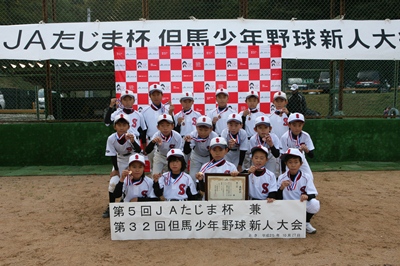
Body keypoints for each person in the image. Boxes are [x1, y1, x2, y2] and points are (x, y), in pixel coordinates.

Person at [102, 113, 142, 218]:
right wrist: (116, 170)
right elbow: (112, 154)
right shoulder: (111, 138)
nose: (121, 127)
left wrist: (132, 141)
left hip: (131, 159)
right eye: (119, 125)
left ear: (128, 127)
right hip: (119, 159)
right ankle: (111, 207)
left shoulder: (131, 135)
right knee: (113, 183)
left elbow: (138, 150)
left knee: (131, 182)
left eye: (124, 125)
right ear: (115, 126)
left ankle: (129, 204)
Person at [277, 148, 320, 234]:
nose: (293, 165)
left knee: (315, 203)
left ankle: (306, 222)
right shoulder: (281, 177)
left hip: (301, 204)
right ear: (286, 163)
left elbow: (313, 194)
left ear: (301, 163)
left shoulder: (306, 177)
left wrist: (307, 196)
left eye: (296, 162)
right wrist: (281, 188)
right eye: (290, 162)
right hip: (286, 205)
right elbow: (277, 197)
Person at [141, 84, 174, 173]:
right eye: (153, 95)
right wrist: (145, 146)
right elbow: (143, 130)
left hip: (167, 141)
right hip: (151, 141)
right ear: (150, 96)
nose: (156, 97)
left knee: (168, 167)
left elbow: (172, 126)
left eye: (158, 94)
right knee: (154, 169)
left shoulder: (167, 109)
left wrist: (171, 113)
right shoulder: (144, 111)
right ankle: (155, 185)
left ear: (162, 95)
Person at [183, 116, 219, 182]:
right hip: (196, 156)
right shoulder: (193, 134)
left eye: (206, 130)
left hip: (209, 157)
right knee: (193, 177)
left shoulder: (214, 136)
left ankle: (204, 192)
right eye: (200, 129)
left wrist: (211, 164)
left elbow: (215, 152)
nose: (203, 132)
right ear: (196, 128)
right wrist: (187, 143)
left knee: (207, 177)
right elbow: (186, 151)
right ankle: (194, 192)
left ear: (211, 129)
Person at [280, 113, 315, 180]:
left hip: (301, 159)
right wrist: (283, 171)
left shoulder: (306, 136)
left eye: (300, 125)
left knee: (310, 177)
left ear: (303, 125)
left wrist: (306, 150)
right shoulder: (285, 137)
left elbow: (312, 155)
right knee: (287, 179)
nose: (297, 128)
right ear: (289, 125)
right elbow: (282, 156)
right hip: (289, 160)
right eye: (294, 125)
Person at [174, 91, 202, 165]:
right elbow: (175, 132)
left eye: (189, 101)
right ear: (181, 102)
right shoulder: (177, 116)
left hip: (194, 140)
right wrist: (178, 124)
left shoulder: (198, 115)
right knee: (183, 164)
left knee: (195, 163)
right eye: (184, 101)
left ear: (192, 102)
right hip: (183, 140)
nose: (187, 103)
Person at [239, 90, 265, 169]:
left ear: (258, 101)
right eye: (249, 100)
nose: (252, 103)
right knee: (246, 163)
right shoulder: (241, 114)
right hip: (246, 141)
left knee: (257, 162)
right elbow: (239, 129)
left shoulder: (262, 115)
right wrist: (243, 117)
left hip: (258, 141)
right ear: (246, 101)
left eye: (254, 100)